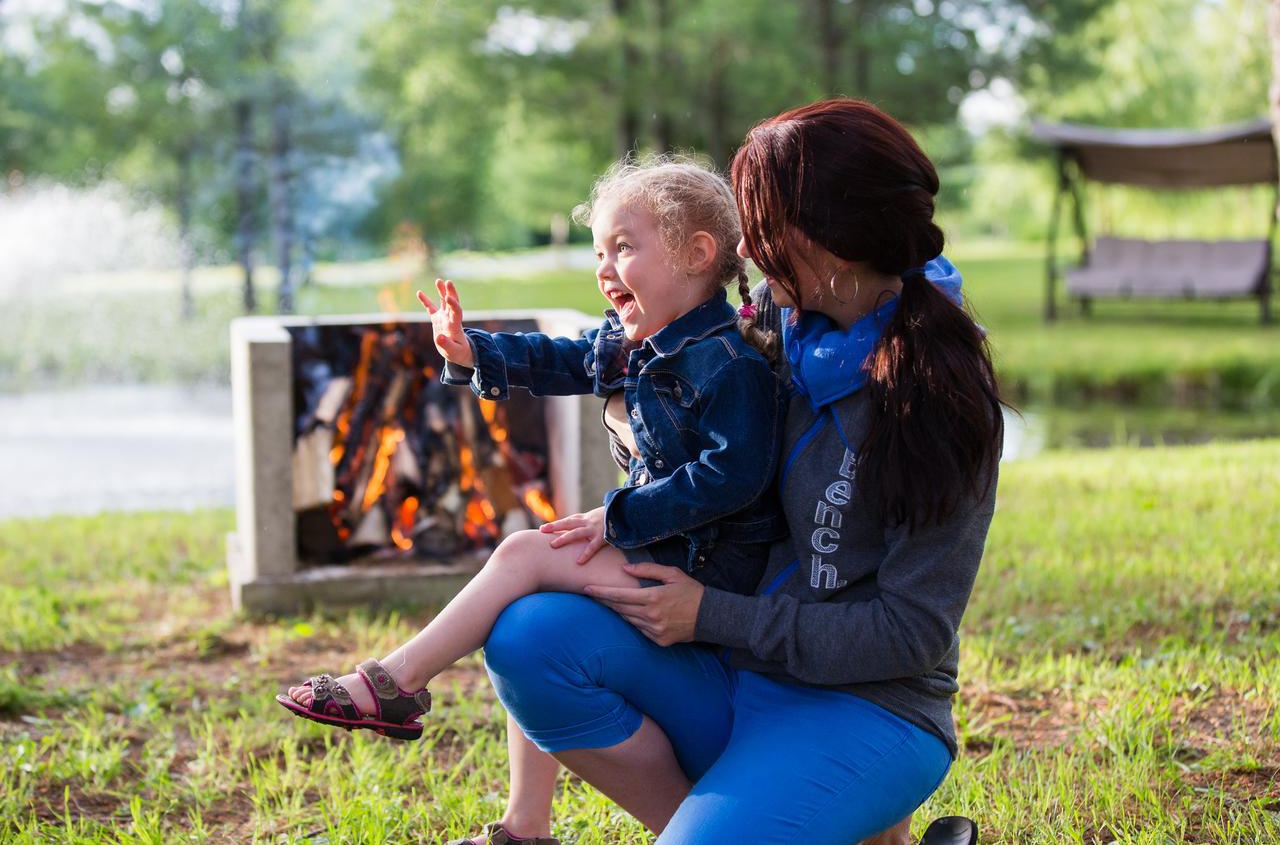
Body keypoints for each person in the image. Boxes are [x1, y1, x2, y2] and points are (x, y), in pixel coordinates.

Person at [465, 98, 1004, 844]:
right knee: (530, 636)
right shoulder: (782, 326)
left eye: (762, 223)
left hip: (868, 705)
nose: (742, 244)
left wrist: (711, 614)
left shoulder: (940, 400)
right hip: (737, 670)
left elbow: (911, 633)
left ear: (831, 245)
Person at [276, 158, 788, 753]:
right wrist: (473, 352)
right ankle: (524, 825)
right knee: (532, 610)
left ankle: (397, 681)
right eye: (597, 252)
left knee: (522, 552)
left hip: (706, 570)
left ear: (697, 254)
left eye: (622, 248)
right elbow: (559, 358)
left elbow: (733, 477)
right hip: (667, 543)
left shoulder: (728, 364)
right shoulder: (636, 343)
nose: (604, 269)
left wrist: (617, 517)